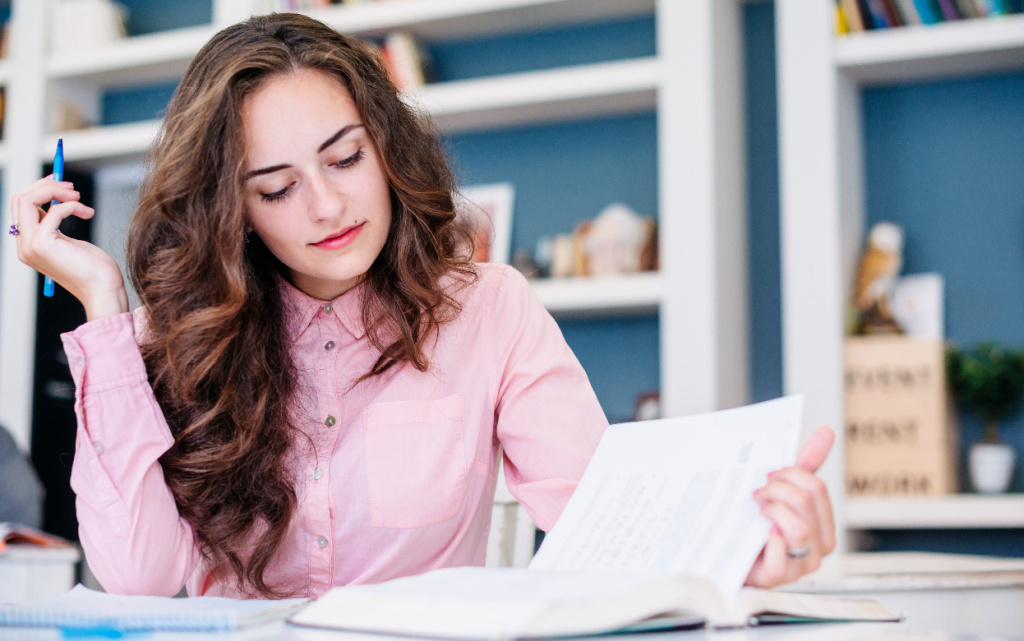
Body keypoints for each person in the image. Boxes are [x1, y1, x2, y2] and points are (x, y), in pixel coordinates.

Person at [10, 13, 835, 599]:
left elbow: (601, 523)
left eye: (345, 158)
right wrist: (102, 304)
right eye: (278, 187)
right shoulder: (176, 339)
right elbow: (140, 578)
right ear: (236, 210)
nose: (328, 207)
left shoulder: (490, 311)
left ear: (384, 145)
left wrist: (741, 555)